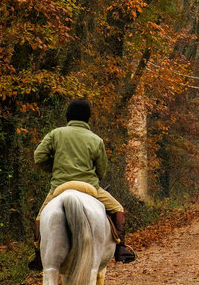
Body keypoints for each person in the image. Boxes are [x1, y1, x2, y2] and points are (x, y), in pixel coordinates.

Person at [29, 99, 135, 270]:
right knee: (118, 209)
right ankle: (121, 248)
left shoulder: (55, 134)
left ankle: (39, 255)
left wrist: (54, 169)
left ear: (68, 116)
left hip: (59, 187)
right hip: (89, 186)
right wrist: (92, 178)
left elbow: (38, 157)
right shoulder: (96, 140)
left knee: (40, 218)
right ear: (88, 118)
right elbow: (101, 170)